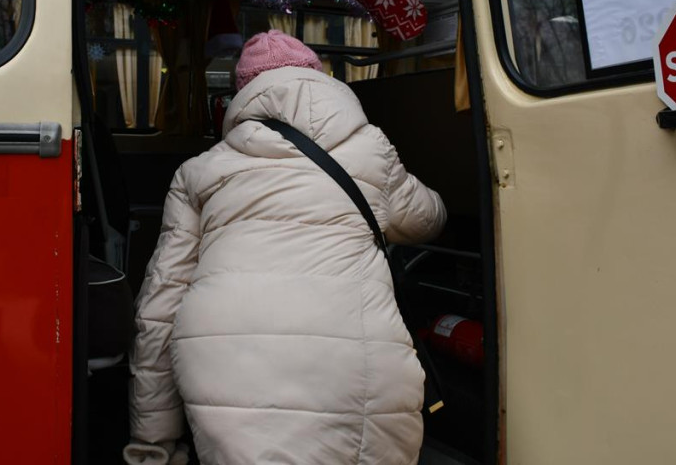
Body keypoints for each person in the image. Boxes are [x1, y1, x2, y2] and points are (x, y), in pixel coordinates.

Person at [124, 30, 446, 465]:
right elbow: (426, 220)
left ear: (242, 95)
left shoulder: (198, 172)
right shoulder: (371, 150)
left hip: (227, 368)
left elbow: (159, 308)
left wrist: (153, 442)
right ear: (318, 79)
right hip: (358, 364)